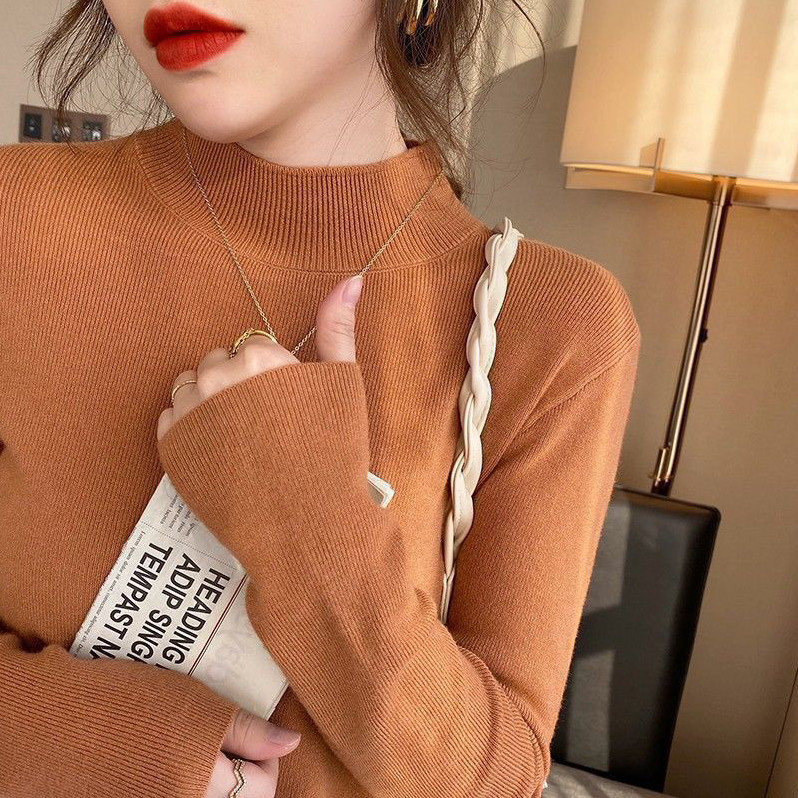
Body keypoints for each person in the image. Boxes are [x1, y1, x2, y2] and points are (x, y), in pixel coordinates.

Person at [0, 1, 641, 797]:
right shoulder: (16, 218)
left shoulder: (548, 322)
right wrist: (100, 744)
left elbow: (493, 781)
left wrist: (310, 517)